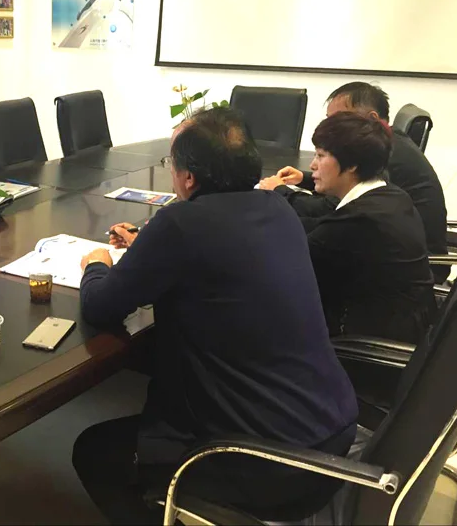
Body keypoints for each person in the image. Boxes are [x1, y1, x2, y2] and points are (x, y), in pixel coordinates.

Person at [72, 108, 358, 525]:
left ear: (188, 177)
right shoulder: (278, 208)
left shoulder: (180, 224)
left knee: (95, 452)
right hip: (331, 431)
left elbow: (101, 305)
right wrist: (148, 248)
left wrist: (97, 264)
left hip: (270, 462)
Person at [266, 112, 435, 343]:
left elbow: (291, 264)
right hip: (411, 325)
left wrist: (267, 207)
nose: (313, 165)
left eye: (321, 156)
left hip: (372, 341)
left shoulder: (362, 220)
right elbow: (321, 228)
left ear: (353, 165)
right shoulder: (389, 194)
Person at [260, 82, 449, 282]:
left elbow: (329, 214)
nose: (333, 126)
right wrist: (305, 180)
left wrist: (280, 194)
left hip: (415, 266)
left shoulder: (360, 212)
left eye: (321, 156)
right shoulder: (387, 184)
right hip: (398, 266)